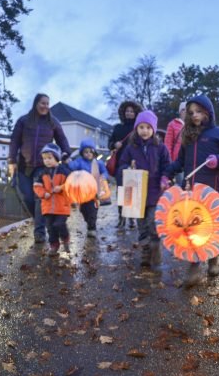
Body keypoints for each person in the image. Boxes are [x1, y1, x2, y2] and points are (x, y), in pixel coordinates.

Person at [162, 95, 219, 288]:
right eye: (191, 113)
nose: (195, 116)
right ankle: (195, 265)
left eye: (198, 111)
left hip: (213, 191)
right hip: (192, 192)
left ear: (208, 111)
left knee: (211, 228)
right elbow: (180, 162)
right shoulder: (187, 135)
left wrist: (218, 161)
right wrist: (167, 174)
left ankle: (213, 259)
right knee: (193, 227)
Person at [8, 93, 72, 244]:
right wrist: (12, 161)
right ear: (36, 103)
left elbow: (62, 139)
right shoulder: (24, 120)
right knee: (27, 198)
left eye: (47, 104)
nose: (45, 106)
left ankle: (39, 232)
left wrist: (66, 153)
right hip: (24, 166)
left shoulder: (53, 122)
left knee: (40, 198)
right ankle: (39, 221)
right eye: (42, 103)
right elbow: (14, 141)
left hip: (42, 168)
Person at [118, 110, 170, 268]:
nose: (144, 130)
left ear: (153, 129)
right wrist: (128, 168)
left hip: (154, 191)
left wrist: (165, 178)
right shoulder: (130, 148)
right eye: (141, 127)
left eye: (148, 127)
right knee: (141, 226)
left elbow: (167, 165)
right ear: (136, 128)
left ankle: (156, 247)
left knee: (153, 222)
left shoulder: (160, 147)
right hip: (135, 193)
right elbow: (121, 165)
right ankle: (146, 253)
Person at [33, 144, 72, 256]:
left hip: (62, 205)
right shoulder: (42, 173)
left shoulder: (64, 171)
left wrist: (61, 187)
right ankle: (54, 245)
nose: (47, 161)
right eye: (45, 158)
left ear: (57, 158)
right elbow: (37, 186)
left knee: (59, 224)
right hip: (47, 206)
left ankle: (65, 237)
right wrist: (43, 193)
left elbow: (71, 183)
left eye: (50, 158)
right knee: (50, 227)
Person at [108, 100, 143, 229]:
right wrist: (114, 144)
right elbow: (109, 142)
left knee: (133, 191)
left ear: (136, 113)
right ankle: (121, 217)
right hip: (120, 164)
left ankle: (132, 218)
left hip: (134, 164)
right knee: (122, 191)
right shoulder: (118, 128)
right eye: (127, 111)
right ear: (123, 113)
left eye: (131, 111)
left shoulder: (139, 128)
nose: (129, 113)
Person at [68, 138, 109, 238]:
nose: (89, 154)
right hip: (83, 191)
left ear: (94, 152)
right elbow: (71, 167)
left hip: (95, 191)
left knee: (93, 209)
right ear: (82, 153)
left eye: (91, 151)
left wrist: (103, 177)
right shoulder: (79, 162)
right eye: (86, 152)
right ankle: (89, 222)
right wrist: (68, 160)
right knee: (84, 210)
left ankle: (92, 228)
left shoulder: (98, 163)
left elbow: (104, 171)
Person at [163, 101, 186, 185]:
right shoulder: (172, 124)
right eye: (183, 109)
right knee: (179, 185)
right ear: (180, 112)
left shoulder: (193, 126)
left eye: (187, 109)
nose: (185, 111)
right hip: (176, 160)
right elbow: (168, 144)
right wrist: (169, 161)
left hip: (189, 161)